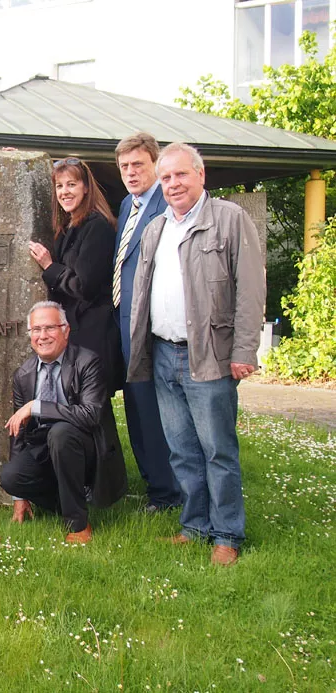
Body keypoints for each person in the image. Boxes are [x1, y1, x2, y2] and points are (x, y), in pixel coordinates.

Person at [127, 142, 265, 566]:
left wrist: (244, 349)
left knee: (217, 450)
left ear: (201, 175)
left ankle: (227, 534)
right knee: (182, 450)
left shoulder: (229, 219)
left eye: (181, 174)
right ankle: (195, 526)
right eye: (166, 177)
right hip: (163, 354)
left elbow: (251, 289)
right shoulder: (156, 228)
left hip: (210, 356)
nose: (173, 184)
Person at [0, 301, 126, 543]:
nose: (42, 336)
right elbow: (18, 432)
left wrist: (37, 406)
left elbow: (90, 415)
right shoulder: (23, 375)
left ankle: (77, 524)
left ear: (66, 331)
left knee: (61, 434)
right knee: (11, 477)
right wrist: (19, 497)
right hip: (45, 448)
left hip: (85, 446)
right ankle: (67, 499)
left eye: (50, 328)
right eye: (36, 330)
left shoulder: (88, 362)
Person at [112, 133, 181, 513]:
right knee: (136, 409)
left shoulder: (165, 205)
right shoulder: (128, 204)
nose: (131, 172)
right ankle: (154, 482)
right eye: (124, 166)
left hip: (149, 326)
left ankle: (167, 493)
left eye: (138, 164)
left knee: (154, 412)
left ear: (155, 164)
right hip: (123, 322)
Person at [29, 157, 121, 394]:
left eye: (71, 184)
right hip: (76, 335)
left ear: (86, 187)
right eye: (59, 186)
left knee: (93, 409)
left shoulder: (97, 226)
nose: (65, 192)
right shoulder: (69, 226)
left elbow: (84, 286)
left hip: (92, 337)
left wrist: (49, 266)